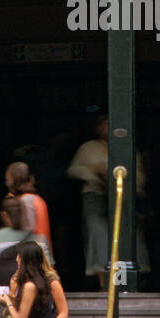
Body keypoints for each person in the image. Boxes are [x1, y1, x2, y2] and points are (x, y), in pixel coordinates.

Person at [67, 115, 111, 289]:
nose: (106, 128)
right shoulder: (88, 148)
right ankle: (102, 282)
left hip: (121, 200)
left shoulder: (126, 145)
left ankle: (123, 282)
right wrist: (94, 172)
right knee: (98, 236)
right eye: (103, 124)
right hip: (94, 196)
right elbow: (74, 170)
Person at [4, 161, 52, 262]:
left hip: (33, 261)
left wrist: (9, 222)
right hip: (43, 257)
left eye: (8, 179)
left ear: (15, 180)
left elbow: (26, 233)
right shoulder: (37, 199)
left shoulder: (25, 201)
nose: (7, 183)